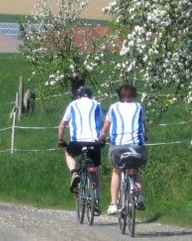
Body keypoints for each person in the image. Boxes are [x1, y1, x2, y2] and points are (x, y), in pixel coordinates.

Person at [98, 82, 148, 215]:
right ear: (134, 94)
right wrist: (145, 138)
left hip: (118, 148)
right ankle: (140, 195)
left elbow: (105, 129)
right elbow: (144, 128)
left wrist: (101, 138)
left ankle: (114, 204)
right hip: (137, 147)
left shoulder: (114, 107)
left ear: (119, 95)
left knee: (117, 171)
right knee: (135, 170)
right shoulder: (139, 107)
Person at [58, 85, 103, 215]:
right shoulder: (96, 104)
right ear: (91, 95)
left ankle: (74, 173)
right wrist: (102, 139)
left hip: (77, 142)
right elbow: (103, 122)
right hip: (94, 142)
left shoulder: (72, 105)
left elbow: (61, 126)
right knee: (95, 167)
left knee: (69, 153)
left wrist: (61, 141)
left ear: (78, 96)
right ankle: (96, 199)